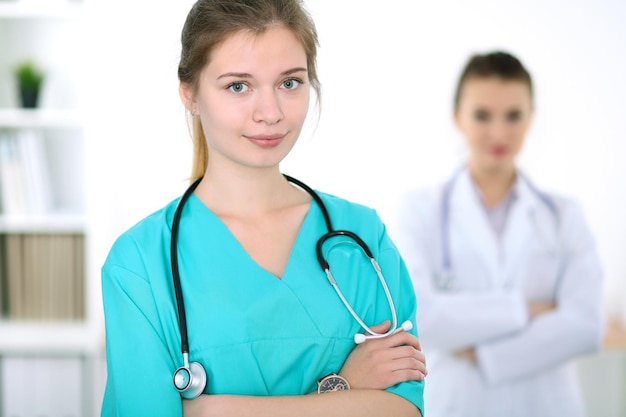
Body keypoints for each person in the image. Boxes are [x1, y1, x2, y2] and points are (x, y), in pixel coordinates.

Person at [100, 1, 426, 416]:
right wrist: (341, 391)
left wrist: (206, 410)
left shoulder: (361, 238)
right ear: (190, 94)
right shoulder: (140, 263)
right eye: (238, 86)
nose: (270, 113)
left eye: (290, 83)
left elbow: (401, 410)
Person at [393, 51, 603, 417]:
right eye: (482, 115)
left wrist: (483, 353)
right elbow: (420, 316)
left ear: (531, 119)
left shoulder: (564, 215)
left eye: (514, 116)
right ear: (457, 117)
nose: (499, 132)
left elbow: (585, 325)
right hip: (458, 404)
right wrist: (524, 309)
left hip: (547, 405)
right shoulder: (421, 210)